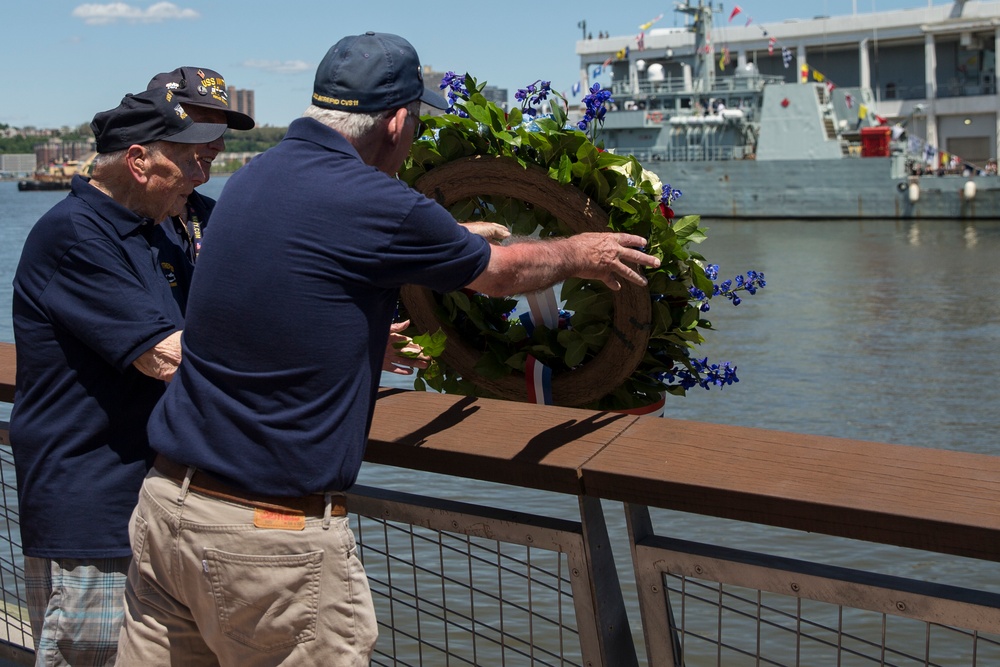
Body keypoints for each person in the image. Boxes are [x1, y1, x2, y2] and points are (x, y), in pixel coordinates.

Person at [115, 32, 659, 665]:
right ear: (398, 121)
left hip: (167, 511)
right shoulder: (376, 200)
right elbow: (502, 274)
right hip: (268, 540)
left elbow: (330, 245)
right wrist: (581, 252)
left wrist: (448, 236)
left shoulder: (254, 179)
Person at [10, 87, 227, 666]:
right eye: (192, 159)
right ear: (138, 161)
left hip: (160, 506)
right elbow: (168, 357)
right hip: (96, 517)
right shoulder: (77, 233)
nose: (203, 175)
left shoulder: (162, 226)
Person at [146, 67, 255, 313]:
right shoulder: (120, 221)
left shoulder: (212, 215)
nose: (219, 145)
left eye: (221, 131)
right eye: (206, 128)